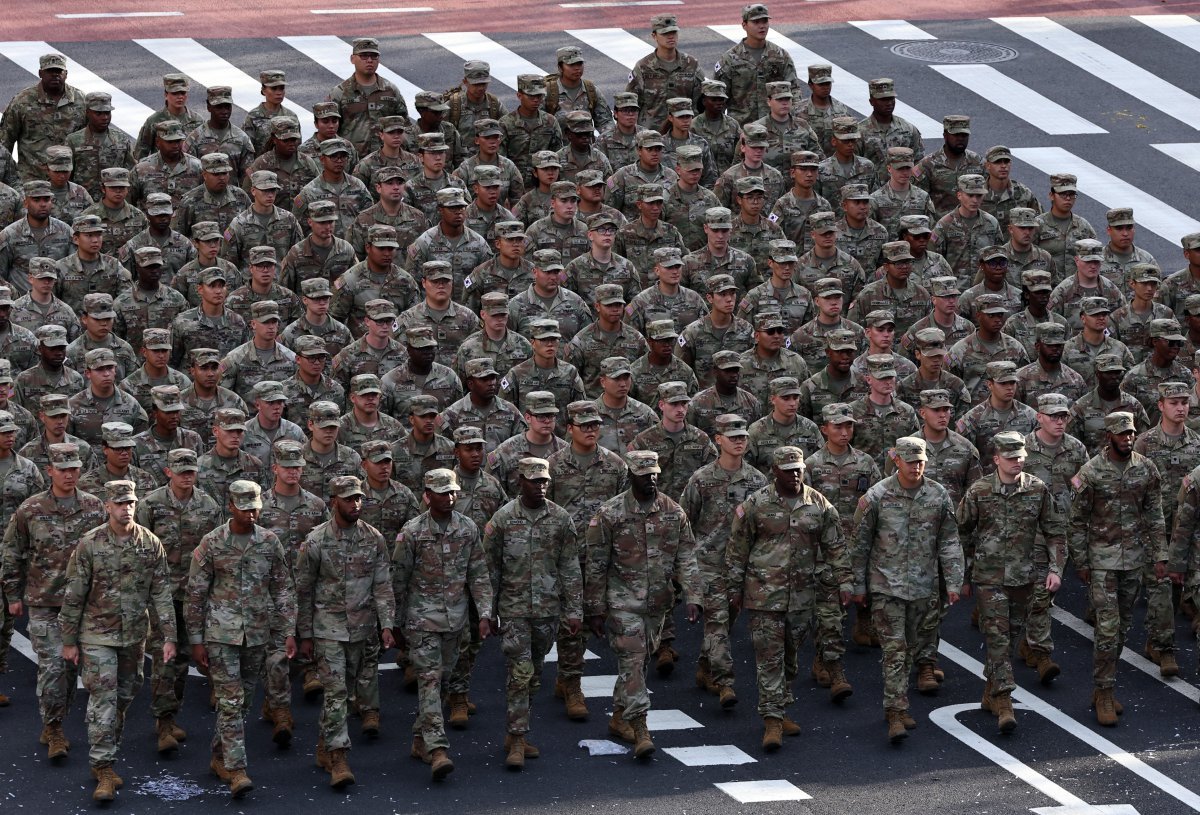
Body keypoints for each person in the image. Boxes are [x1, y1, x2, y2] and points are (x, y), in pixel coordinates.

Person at [59, 480, 175, 802]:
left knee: (125, 694)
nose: (127, 508)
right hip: (97, 634)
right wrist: (69, 640)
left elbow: (162, 593)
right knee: (104, 698)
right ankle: (104, 768)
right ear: (107, 506)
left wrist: (169, 636)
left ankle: (105, 740)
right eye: (121, 503)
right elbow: (74, 595)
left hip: (134, 635)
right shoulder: (90, 544)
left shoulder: (150, 543)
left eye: (132, 503)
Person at [729, 445, 849, 749]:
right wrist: (733, 589)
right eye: (788, 470)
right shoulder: (756, 505)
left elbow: (835, 547)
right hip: (764, 596)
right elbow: (737, 549)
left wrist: (844, 583)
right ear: (774, 471)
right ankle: (771, 720)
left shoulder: (819, 505)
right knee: (770, 659)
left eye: (799, 469)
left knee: (791, 658)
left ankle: (780, 707)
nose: (795, 474)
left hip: (801, 596)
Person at [585, 450, 701, 759]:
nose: (651, 479)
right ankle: (641, 727)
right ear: (630, 477)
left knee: (639, 662)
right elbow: (596, 564)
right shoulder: (609, 514)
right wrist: (595, 608)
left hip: (658, 604)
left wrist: (693, 595)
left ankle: (619, 716)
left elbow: (686, 556)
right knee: (633, 660)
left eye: (654, 474)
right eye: (643, 474)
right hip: (622, 602)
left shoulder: (673, 512)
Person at [186, 479, 295, 797]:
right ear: (231, 507)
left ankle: (219, 757)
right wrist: (196, 639)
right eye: (244, 508)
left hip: (257, 635)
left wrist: (287, 630)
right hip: (221, 635)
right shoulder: (212, 543)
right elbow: (195, 593)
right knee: (231, 702)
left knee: (243, 702)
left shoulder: (270, 542)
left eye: (255, 508)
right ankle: (237, 770)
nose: (251, 514)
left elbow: (283, 588)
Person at [852, 436, 963, 742]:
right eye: (911, 461)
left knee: (911, 648)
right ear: (897, 461)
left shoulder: (937, 495)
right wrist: (857, 586)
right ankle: (895, 712)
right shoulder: (877, 496)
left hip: (922, 587)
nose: (916, 467)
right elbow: (859, 545)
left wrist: (953, 581)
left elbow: (949, 541)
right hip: (886, 587)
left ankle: (899, 705)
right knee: (894, 650)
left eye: (921, 461)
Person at [957, 432, 1063, 733]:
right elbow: (960, 533)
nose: (1017, 462)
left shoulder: (1037, 489)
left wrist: (1055, 568)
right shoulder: (979, 491)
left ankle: (991, 691)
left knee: (1012, 636)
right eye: (1011, 457)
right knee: (997, 639)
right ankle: (1005, 702)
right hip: (989, 578)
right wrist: (962, 576)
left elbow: (1055, 530)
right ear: (996, 459)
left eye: (1020, 457)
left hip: (1024, 578)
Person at [392, 469, 493, 781]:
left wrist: (485, 613)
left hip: (456, 620)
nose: (448, 498)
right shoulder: (412, 532)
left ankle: (421, 739)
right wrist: (393, 624)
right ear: (426, 496)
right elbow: (398, 580)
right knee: (430, 680)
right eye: (441, 493)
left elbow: (478, 573)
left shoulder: (467, 528)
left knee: (445, 680)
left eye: (452, 492)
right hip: (421, 621)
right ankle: (438, 749)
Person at [297, 475, 397, 787]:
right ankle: (339, 758)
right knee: (336, 693)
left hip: (363, 629)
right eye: (349, 499)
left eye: (359, 498)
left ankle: (324, 747)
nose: (355, 504)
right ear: (333, 502)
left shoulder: (374, 538)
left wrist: (387, 625)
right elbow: (303, 591)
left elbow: (382, 586)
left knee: (348, 691)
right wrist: (304, 635)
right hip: (328, 631)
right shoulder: (315, 541)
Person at [1068, 412, 1165, 726]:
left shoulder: (1146, 469)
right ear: (1108, 436)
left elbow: (1155, 515)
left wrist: (1160, 555)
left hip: (1134, 560)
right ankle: (1105, 691)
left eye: (1131, 433)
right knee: (1108, 629)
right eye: (1121, 434)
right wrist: (1081, 562)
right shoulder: (1091, 472)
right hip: (1102, 562)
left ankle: (1103, 687)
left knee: (1122, 628)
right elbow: (1077, 521)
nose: (1127, 438)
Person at [483, 457, 580, 769]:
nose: (540, 486)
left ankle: (517, 731)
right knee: (521, 673)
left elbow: (569, 567)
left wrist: (574, 609)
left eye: (544, 481)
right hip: (513, 610)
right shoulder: (502, 520)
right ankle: (517, 737)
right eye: (533, 480)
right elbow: (490, 570)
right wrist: (488, 612)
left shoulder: (561, 519)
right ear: (519, 482)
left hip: (547, 611)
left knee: (535, 673)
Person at [135, 447, 220, 750]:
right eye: (181, 471)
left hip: (195, 595)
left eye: (191, 471)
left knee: (184, 658)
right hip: (162, 596)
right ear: (168, 472)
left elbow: (216, 552)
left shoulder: (208, 505)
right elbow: (139, 551)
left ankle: (172, 715)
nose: (187, 476)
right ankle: (164, 721)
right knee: (164, 657)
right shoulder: (151, 505)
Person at [681, 413, 766, 707]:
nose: (739, 441)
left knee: (726, 622)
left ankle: (705, 668)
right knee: (716, 622)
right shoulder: (702, 479)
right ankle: (724, 680)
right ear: (718, 441)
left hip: (742, 565)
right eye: (733, 437)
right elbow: (685, 519)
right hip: (709, 564)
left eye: (743, 436)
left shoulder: (757, 480)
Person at [0, 52, 86, 181]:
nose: (55, 75)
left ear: (66, 74)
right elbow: (5, 142)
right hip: (32, 180)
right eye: (50, 71)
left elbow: (90, 137)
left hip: (69, 180)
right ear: (40, 73)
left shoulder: (81, 100)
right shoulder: (22, 101)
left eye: (59, 71)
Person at [715, 4, 801, 124]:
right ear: (744, 25)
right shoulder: (729, 59)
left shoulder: (780, 56)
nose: (762, 26)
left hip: (774, 127)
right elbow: (719, 97)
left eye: (765, 21)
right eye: (756, 22)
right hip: (742, 127)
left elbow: (794, 90)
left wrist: (794, 120)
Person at [328, 37, 409, 156]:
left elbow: (405, 125)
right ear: (352, 59)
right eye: (364, 56)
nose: (369, 60)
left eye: (374, 56)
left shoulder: (391, 90)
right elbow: (329, 130)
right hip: (352, 160)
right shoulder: (339, 93)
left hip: (386, 161)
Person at [627, 14, 706, 128]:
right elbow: (631, 103)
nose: (670, 37)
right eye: (665, 33)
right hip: (651, 135)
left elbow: (700, 102)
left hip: (683, 133)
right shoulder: (643, 67)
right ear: (654, 36)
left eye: (673, 32)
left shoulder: (691, 64)